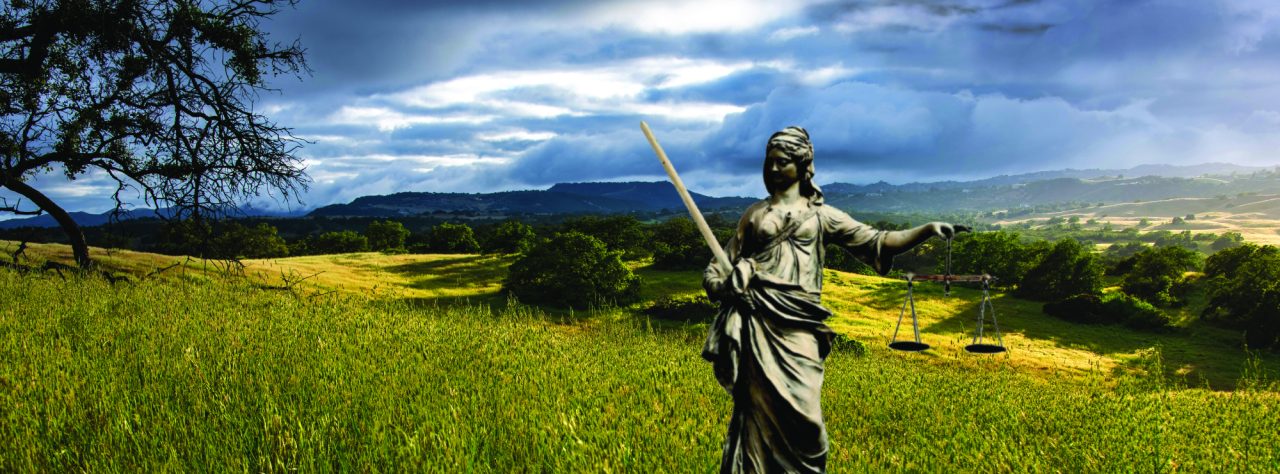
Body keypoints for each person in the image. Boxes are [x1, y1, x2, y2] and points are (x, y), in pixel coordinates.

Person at [702, 126, 967, 473]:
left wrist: (926, 230)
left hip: (800, 329)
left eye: (783, 162)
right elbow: (713, 273)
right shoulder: (754, 216)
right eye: (770, 162)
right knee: (755, 418)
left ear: (803, 166)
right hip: (757, 325)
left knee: (808, 426)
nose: (774, 169)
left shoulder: (822, 216)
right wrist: (730, 286)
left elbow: (878, 241)